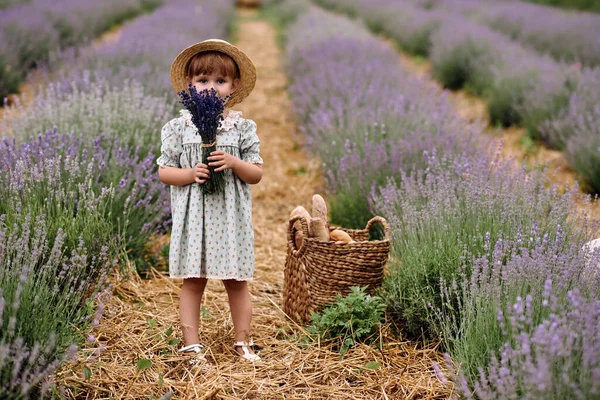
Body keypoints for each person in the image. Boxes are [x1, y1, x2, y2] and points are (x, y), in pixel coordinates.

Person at [156, 39, 263, 363]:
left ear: (234, 85)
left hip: (229, 218)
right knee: (193, 281)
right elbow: (164, 171)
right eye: (203, 81)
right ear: (190, 85)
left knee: (236, 281)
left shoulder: (242, 128)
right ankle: (192, 345)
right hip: (196, 218)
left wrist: (234, 163)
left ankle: (242, 342)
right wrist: (190, 174)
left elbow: (256, 174)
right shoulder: (177, 128)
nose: (211, 88)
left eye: (219, 81)